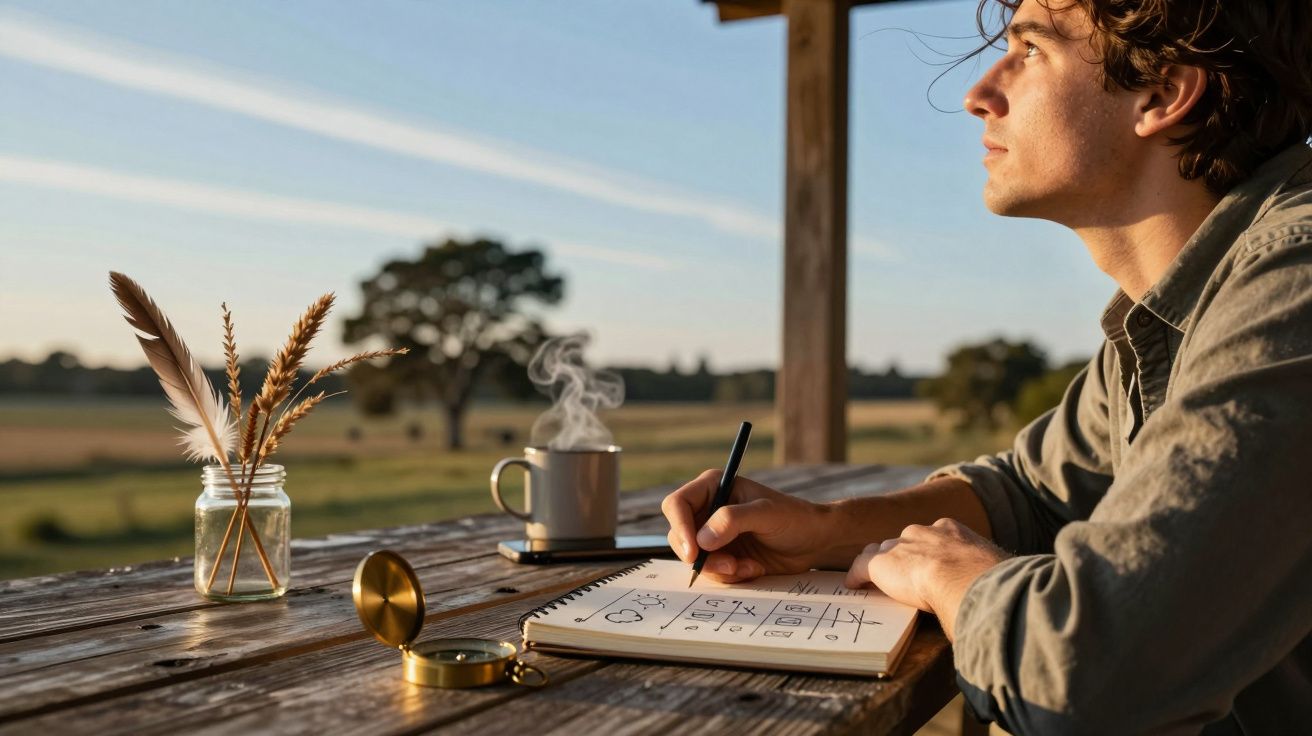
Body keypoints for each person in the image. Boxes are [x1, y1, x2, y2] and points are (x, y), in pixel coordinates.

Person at [661, 0, 1312, 732]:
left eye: (1031, 48)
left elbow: (1091, 676)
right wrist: (822, 526)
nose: (980, 93)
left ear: (1162, 93)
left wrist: (956, 579)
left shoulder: (1295, 285)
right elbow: (1032, 494)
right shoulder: (1169, 315)